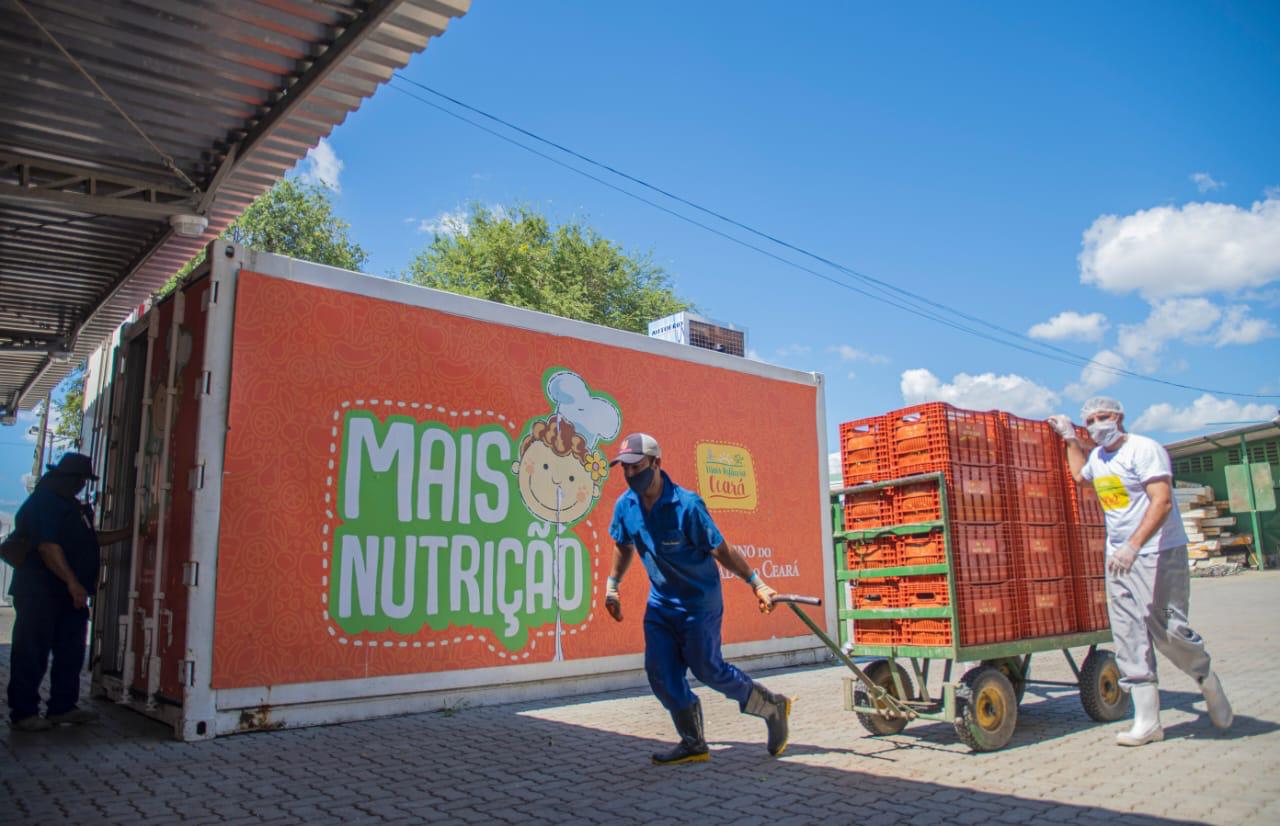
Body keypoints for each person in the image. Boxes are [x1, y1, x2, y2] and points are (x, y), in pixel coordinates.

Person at [1049, 398, 1232, 746]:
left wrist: (1133, 544)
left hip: (1157, 553)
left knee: (1169, 626)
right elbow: (1079, 476)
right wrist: (1070, 439)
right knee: (1127, 633)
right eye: (1090, 420)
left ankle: (1205, 677)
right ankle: (1147, 721)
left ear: (1119, 416)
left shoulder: (1145, 450)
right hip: (1119, 561)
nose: (1097, 424)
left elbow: (1161, 501)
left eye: (1103, 417)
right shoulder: (1100, 459)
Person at [605, 432, 792, 765]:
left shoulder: (687, 505)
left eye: (637, 466)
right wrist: (612, 585)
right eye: (625, 468)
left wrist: (756, 582)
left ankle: (771, 706)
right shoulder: (625, 505)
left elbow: (721, 549)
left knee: (708, 669)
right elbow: (623, 544)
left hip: (698, 604)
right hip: (661, 605)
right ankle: (693, 742)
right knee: (659, 673)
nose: (631, 474)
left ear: (656, 463)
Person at [7, 452, 130, 732]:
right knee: (31, 651)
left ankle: (62, 706)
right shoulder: (45, 502)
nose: (82, 485)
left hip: (69, 595)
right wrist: (72, 582)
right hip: (40, 591)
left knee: (70, 651)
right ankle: (24, 712)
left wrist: (127, 532)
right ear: (68, 478)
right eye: (81, 480)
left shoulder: (73, 506)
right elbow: (48, 547)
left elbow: (89, 539)